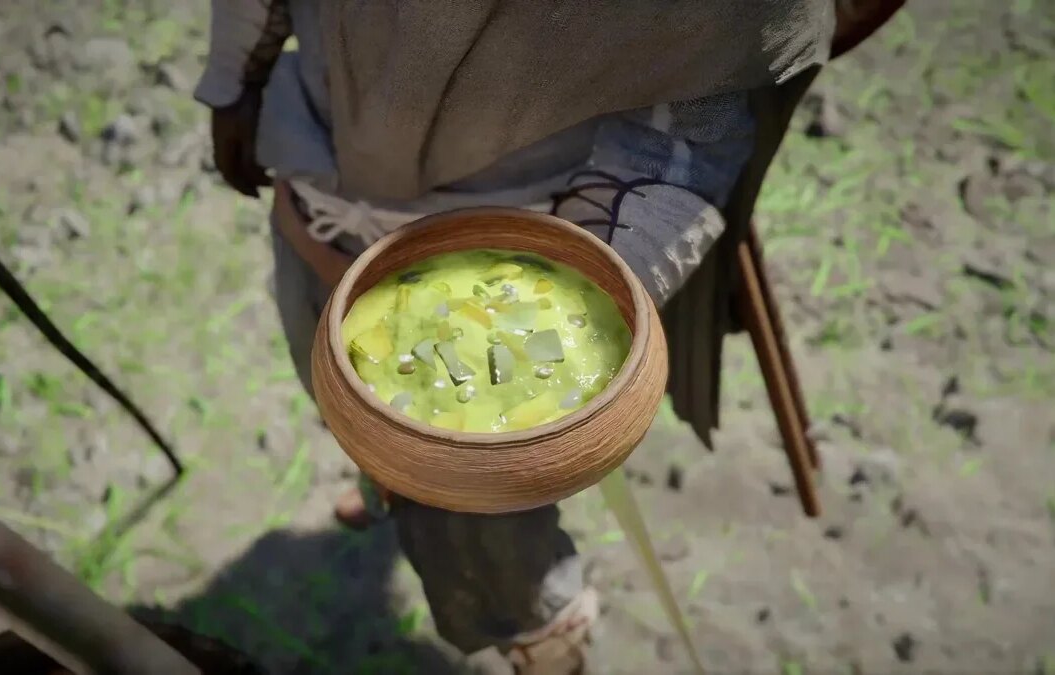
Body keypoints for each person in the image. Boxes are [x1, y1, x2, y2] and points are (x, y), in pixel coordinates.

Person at [194, 2, 886, 672]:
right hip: (317, 183)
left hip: (536, 226)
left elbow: (690, 105)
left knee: (485, 529)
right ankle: (387, 480)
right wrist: (236, 78)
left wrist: (554, 308)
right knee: (345, 393)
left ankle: (544, 641)